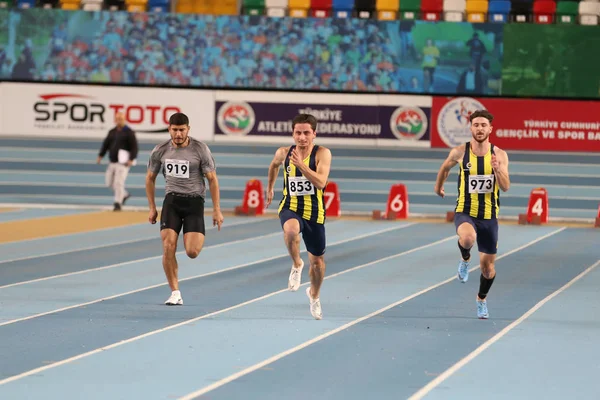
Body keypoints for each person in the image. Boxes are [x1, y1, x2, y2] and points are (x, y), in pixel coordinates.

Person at [434, 109, 510, 319]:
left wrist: (497, 170)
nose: (479, 128)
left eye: (483, 125)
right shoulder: (460, 152)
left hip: (489, 217)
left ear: (490, 129)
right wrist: (438, 186)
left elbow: (505, 187)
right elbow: (445, 168)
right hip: (465, 211)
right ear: (471, 128)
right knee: (467, 238)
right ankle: (465, 258)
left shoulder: (500, 155)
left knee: (488, 269)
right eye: (476, 125)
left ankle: (481, 300)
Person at [145, 112, 224, 306]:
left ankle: (189, 241)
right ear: (169, 129)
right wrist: (152, 207)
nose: (178, 134)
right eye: (174, 130)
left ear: (188, 129)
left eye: (181, 130)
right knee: (168, 245)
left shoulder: (200, 149)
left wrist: (217, 209)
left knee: (192, 251)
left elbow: (212, 180)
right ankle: (175, 292)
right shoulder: (160, 150)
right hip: (171, 201)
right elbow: (150, 178)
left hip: (194, 202)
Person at [266, 114, 332, 320]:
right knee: (291, 230)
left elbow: (321, 183)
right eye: (298, 133)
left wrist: (302, 166)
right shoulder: (283, 153)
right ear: (292, 134)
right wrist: (269, 188)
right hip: (290, 206)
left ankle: (314, 295)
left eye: (306, 133)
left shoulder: (323, 154)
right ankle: (296, 264)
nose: (302, 137)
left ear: (314, 134)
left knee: (318, 264)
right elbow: (273, 166)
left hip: (314, 212)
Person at [97, 111, 138, 211]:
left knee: (119, 182)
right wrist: (100, 155)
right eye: (118, 119)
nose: (119, 121)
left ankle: (117, 203)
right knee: (109, 183)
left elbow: (134, 147)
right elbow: (105, 144)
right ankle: (124, 194)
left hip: (123, 163)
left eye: (121, 119)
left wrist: (131, 159)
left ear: (124, 120)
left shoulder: (129, 132)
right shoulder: (112, 132)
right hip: (112, 161)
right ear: (115, 120)